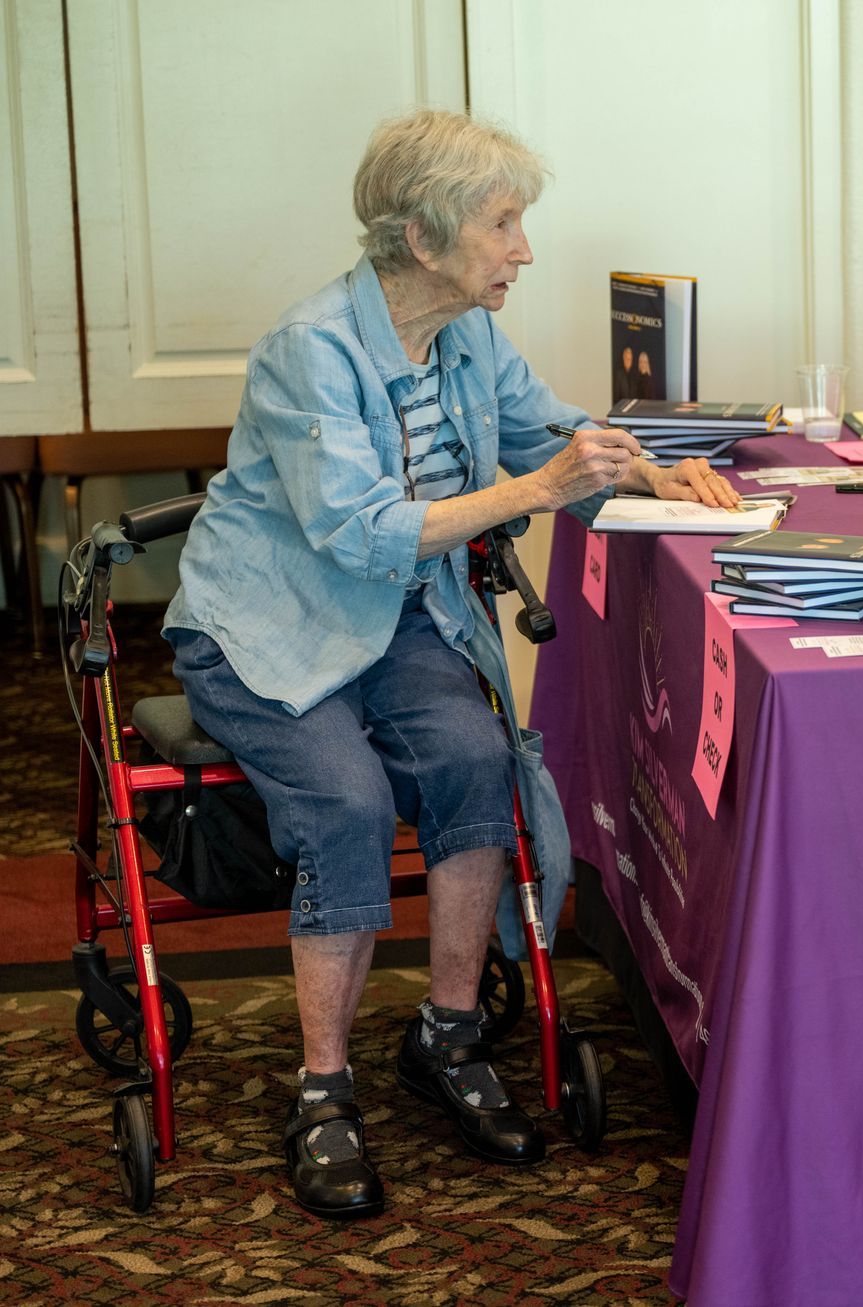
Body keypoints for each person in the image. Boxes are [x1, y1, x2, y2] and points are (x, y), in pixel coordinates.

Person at [162, 109, 740, 1218]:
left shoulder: (466, 333)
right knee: (345, 799)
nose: (523, 248)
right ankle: (322, 1089)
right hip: (269, 626)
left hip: (397, 619)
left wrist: (650, 470)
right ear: (423, 240)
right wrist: (538, 493)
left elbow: (548, 431)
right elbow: (362, 531)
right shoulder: (311, 349)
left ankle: (448, 1034)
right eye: (503, 223)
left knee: (479, 762)